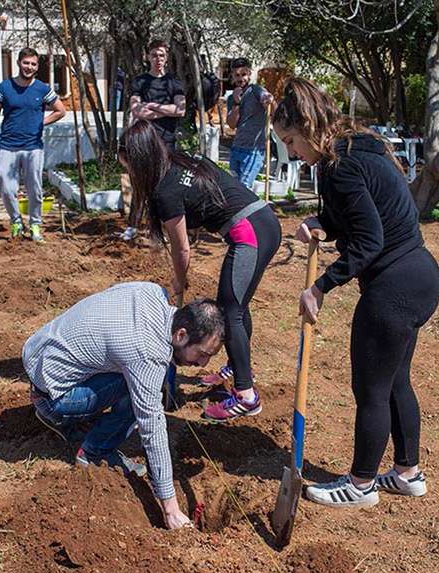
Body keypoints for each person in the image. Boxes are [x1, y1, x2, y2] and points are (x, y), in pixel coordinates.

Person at [271, 78, 439, 508]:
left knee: (370, 388)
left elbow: (369, 240)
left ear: (308, 127)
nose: (291, 152)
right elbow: (359, 214)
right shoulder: (353, 147)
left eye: (291, 141)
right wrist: (323, 220)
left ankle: (361, 484)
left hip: (394, 286)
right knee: (394, 379)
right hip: (419, 275)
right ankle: (407, 473)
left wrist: (320, 287)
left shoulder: (341, 165)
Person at [23, 282, 224, 530]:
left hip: (39, 356)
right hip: (54, 394)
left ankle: (72, 417)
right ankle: (93, 452)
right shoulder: (146, 354)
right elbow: (152, 426)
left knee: (140, 381)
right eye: (202, 353)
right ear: (180, 335)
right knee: (143, 389)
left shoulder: (151, 292)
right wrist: (170, 509)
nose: (203, 364)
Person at [118, 120, 282, 422]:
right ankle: (237, 367)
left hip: (250, 231)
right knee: (236, 303)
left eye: (129, 168)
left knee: (229, 309)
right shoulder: (179, 160)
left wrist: (178, 284)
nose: (129, 175)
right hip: (262, 221)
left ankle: (246, 395)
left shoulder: (164, 190)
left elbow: (182, 249)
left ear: (140, 162)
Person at [0, 47, 66, 241]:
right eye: (26, 63)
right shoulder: (4, 88)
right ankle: (16, 220)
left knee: (35, 188)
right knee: (6, 187)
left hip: (33, 146)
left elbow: (60, 110)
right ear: (18, 63)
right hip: (8, 145)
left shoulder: (42, 89)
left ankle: (35, 225)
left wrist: (41, 122)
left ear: (37, 66)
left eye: (33, 64)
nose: (29, 67)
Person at [129, 39, 186, 151]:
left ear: (166, 58)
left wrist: (151, 106)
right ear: (148, 57)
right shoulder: (139, 82)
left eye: (161, 55)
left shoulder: (175, 82)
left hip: (167, 140)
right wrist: (168, 112)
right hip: (145, 139)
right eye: (154, 55)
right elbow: (137, 111)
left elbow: (180, 110)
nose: (158, 59)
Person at [226, 58, 273, 188]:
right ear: (232, 76)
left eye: (244, 74)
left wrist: (267, 100)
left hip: (254, 150)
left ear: (249, 73)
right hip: (236, 148)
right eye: (237, 75)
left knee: (244, 189)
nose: (241, 78)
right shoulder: (231, 98)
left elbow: (265, 98)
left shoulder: (256, 90)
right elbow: (231, 124)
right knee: (233, 188)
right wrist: (236, 102)